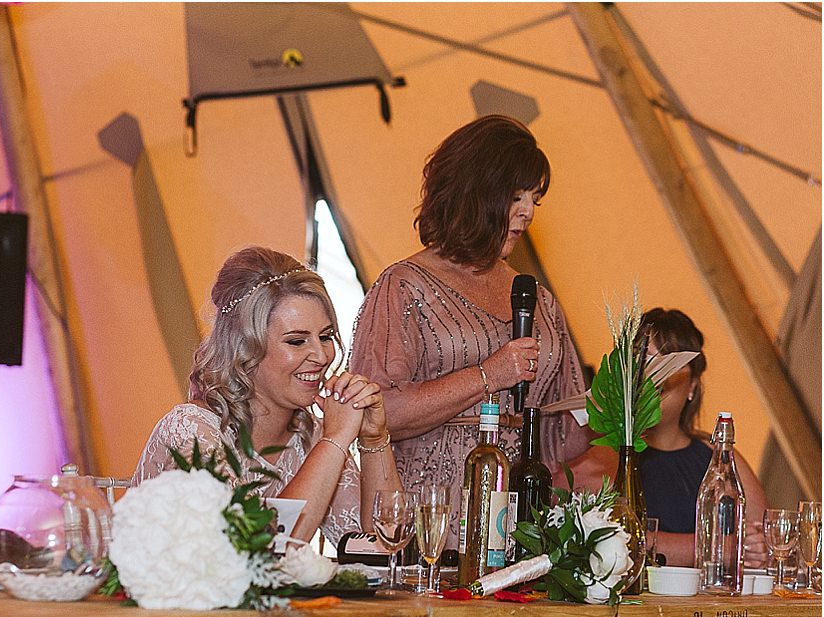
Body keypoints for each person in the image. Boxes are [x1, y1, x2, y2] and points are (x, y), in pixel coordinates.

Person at [348, 114, 585, 549]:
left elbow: (567, 437)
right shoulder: (404, 286)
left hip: (524, 525)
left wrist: (622, 408)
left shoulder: (540, 300)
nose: (529, 213)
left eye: (535, 199)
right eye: (515, 196)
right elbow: (380, 412)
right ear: (474, 193)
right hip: (433, 522)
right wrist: (488, 375)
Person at [134, 247, 401, 545]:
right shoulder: (190, 431)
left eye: (325, 336)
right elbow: (256, 551)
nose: (321, 355)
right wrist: (335, 440)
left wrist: (374, 439)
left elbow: (381, 547)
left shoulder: (308, 434)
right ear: (245, 349)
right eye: (297, 341)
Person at [567, 308, 768, 569]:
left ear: (693, 385)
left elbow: (764, 538)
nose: (653, 377)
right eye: (645, 362)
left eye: (668, 363)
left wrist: (753, 549)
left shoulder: (721, 459)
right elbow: (610, 539)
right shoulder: (601, 456)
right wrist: (721, 549)